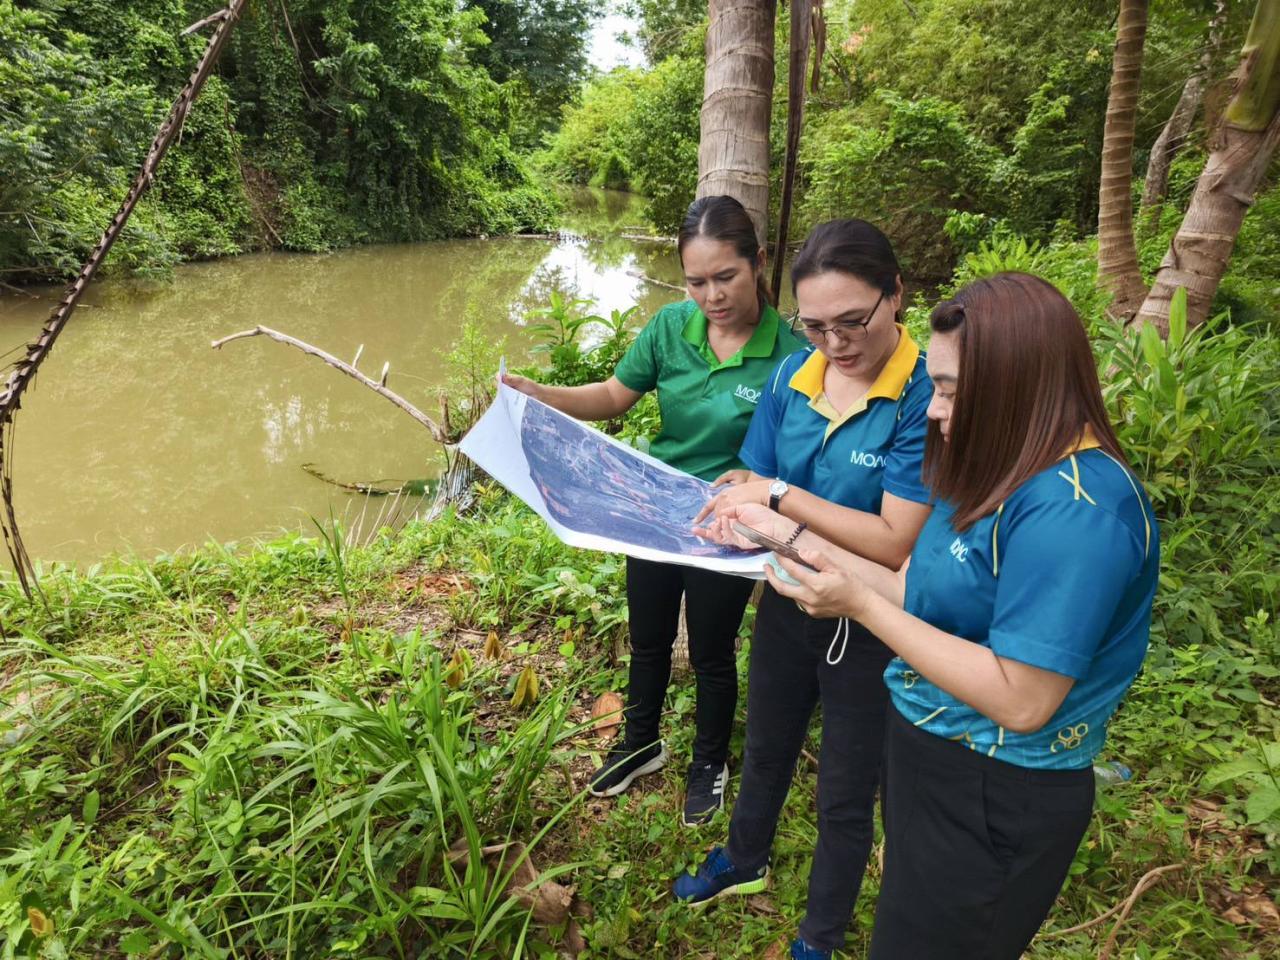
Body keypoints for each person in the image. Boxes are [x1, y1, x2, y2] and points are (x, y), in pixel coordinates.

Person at [708, 272, 1160, 960]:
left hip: (997, 790)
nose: (933, 409)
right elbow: (908, 586)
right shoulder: (988, 466)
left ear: (1018, 382)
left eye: (948, 389)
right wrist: (781, 534)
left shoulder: (1077, 511)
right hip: (928, 751)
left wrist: (854, 604)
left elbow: (1023, 698)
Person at [674, 219, 933, 960]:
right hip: (785, 596)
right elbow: (747, 478)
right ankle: (743, 859)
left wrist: (778, 497)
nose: (836, 344)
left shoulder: (923, 393)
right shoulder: (795, 377)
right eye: (815, 326)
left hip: (867, 616)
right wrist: (738, 514)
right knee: (767, 743)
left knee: (847, 789)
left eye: (853, 321)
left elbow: (893, 539)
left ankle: (820, 933)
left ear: (896, 297)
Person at [503, 195, 805, 825]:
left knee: (714, 651)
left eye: (726, 276)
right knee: (648, 638)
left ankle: (710, 760)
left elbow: (799, 457)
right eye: (697, 281)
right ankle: (639, 742)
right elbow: (614, 395)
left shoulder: (792, 357)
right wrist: (541, 394)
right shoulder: (671, 327)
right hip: (654, 507)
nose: (712, 296)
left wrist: (759, 477)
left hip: (729, 524)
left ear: (759, 262)